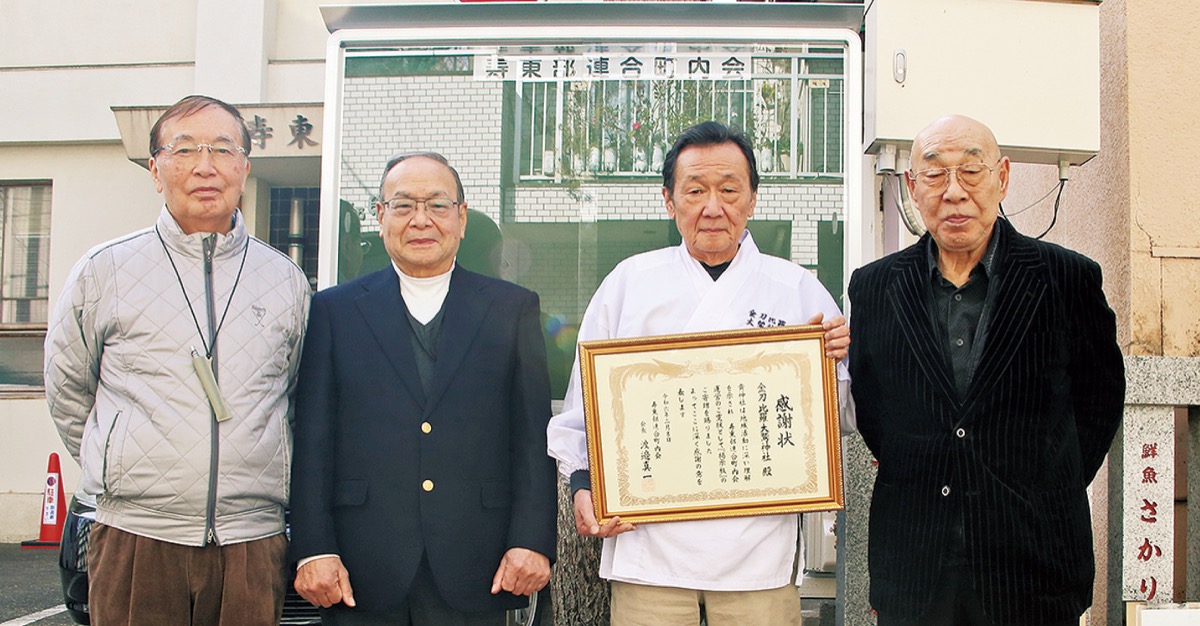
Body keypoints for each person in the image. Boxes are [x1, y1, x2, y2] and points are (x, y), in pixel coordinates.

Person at [547, 121, 852, 626]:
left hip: (757, 556)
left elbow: (840, 418)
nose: (713, 206)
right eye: (695, 191)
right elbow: (583, 410)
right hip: (648, 551)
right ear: (669, 201)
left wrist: (838, 362)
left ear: (753, 198)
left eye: (729, 190)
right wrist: (582, 484)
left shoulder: (796, 290)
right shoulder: (630, 282)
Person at [847, 114, 1125, 626]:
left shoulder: (1066, 278)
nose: (954, 192)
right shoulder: (874, 288)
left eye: (971, 172)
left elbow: (1100, 399)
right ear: (912, 186)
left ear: (1003, 176)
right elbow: (875, 410)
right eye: (934, 175)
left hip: (1033, 566)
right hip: (916, 564)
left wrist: (1042, 481)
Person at [44, 94, 311, 625]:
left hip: (251, 537)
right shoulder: (106, 270)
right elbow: (69, 389)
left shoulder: (285, 279)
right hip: (135, 534)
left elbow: (296, 396)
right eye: (184, 149)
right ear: (155, 169)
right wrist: (121, 460)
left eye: (222, 149)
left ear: (244, 167)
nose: (204, 166)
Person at [288, 152, 557, 625]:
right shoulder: (335, 310)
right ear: (379, 215)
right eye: (403, 205)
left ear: (462, 217)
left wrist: (531, 541)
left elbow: (532, 439)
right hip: (359, 567)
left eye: (437, 205)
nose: (421, 220)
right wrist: (313, 548)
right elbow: (313, 440)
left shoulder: (510, 309)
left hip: (478, 561)